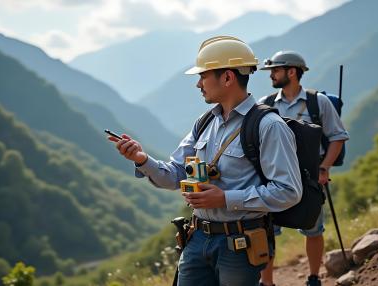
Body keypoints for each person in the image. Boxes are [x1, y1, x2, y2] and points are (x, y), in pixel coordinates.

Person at [109, 36, 303, 286]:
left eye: (203, 76)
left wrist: (225, 198)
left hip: (240, 245)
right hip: (197, 237)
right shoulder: (204, 123)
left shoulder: (269, 126)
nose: (198, 84)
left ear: (227, 77)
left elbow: (289, 191)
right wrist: (142, 159)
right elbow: (177, 173)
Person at [258, 51, 350, 286]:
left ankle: (313, 278)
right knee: (267, 233)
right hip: (273, 178)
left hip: (310, 178)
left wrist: (324, 168)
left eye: (275, 71)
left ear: (292, 71)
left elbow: (338, 137)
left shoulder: (318, 102)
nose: (271, 75)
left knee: (313, 229)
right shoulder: (264, 105)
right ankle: (266, 283)